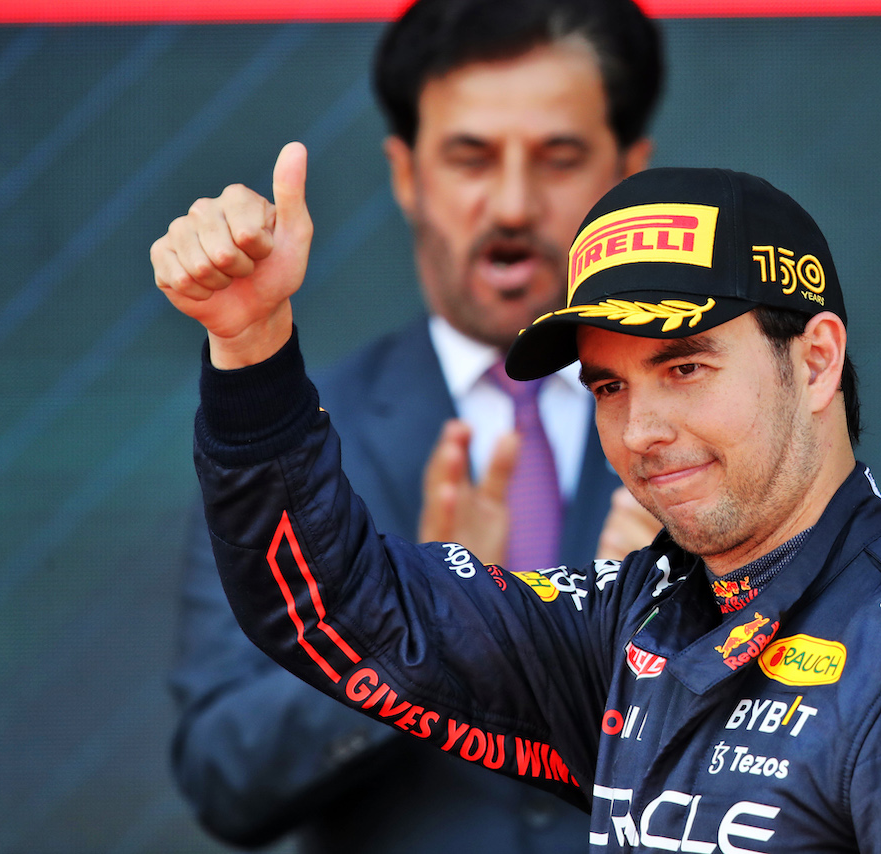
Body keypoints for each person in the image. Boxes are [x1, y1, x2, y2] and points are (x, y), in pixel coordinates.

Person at [154, 155, 881, 852]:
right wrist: (251, 347)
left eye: (684, 368)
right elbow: (334, 605)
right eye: (608, 387)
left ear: (815, 361)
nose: (640, 430)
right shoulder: (634, 623)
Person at [164, 1, 662, 850]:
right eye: (470, 157)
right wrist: (418, 632)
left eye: (559, 157)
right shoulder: (293, 431)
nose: (511, 204)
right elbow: (224, 774)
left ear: (629, 170)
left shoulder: (708, 428)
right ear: (406, 174)